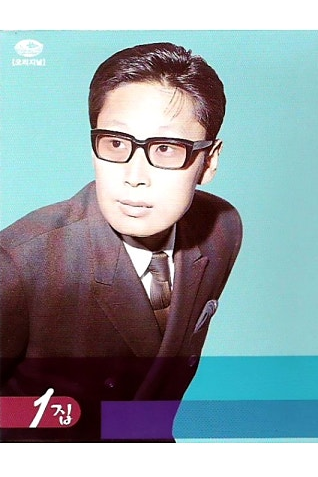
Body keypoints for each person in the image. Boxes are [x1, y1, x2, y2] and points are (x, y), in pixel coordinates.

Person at [0, 42, 242, 442]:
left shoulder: (221, 230)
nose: (134, 176)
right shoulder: (18, 265)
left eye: (165, 149)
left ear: (209, 161)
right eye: (116, 143)